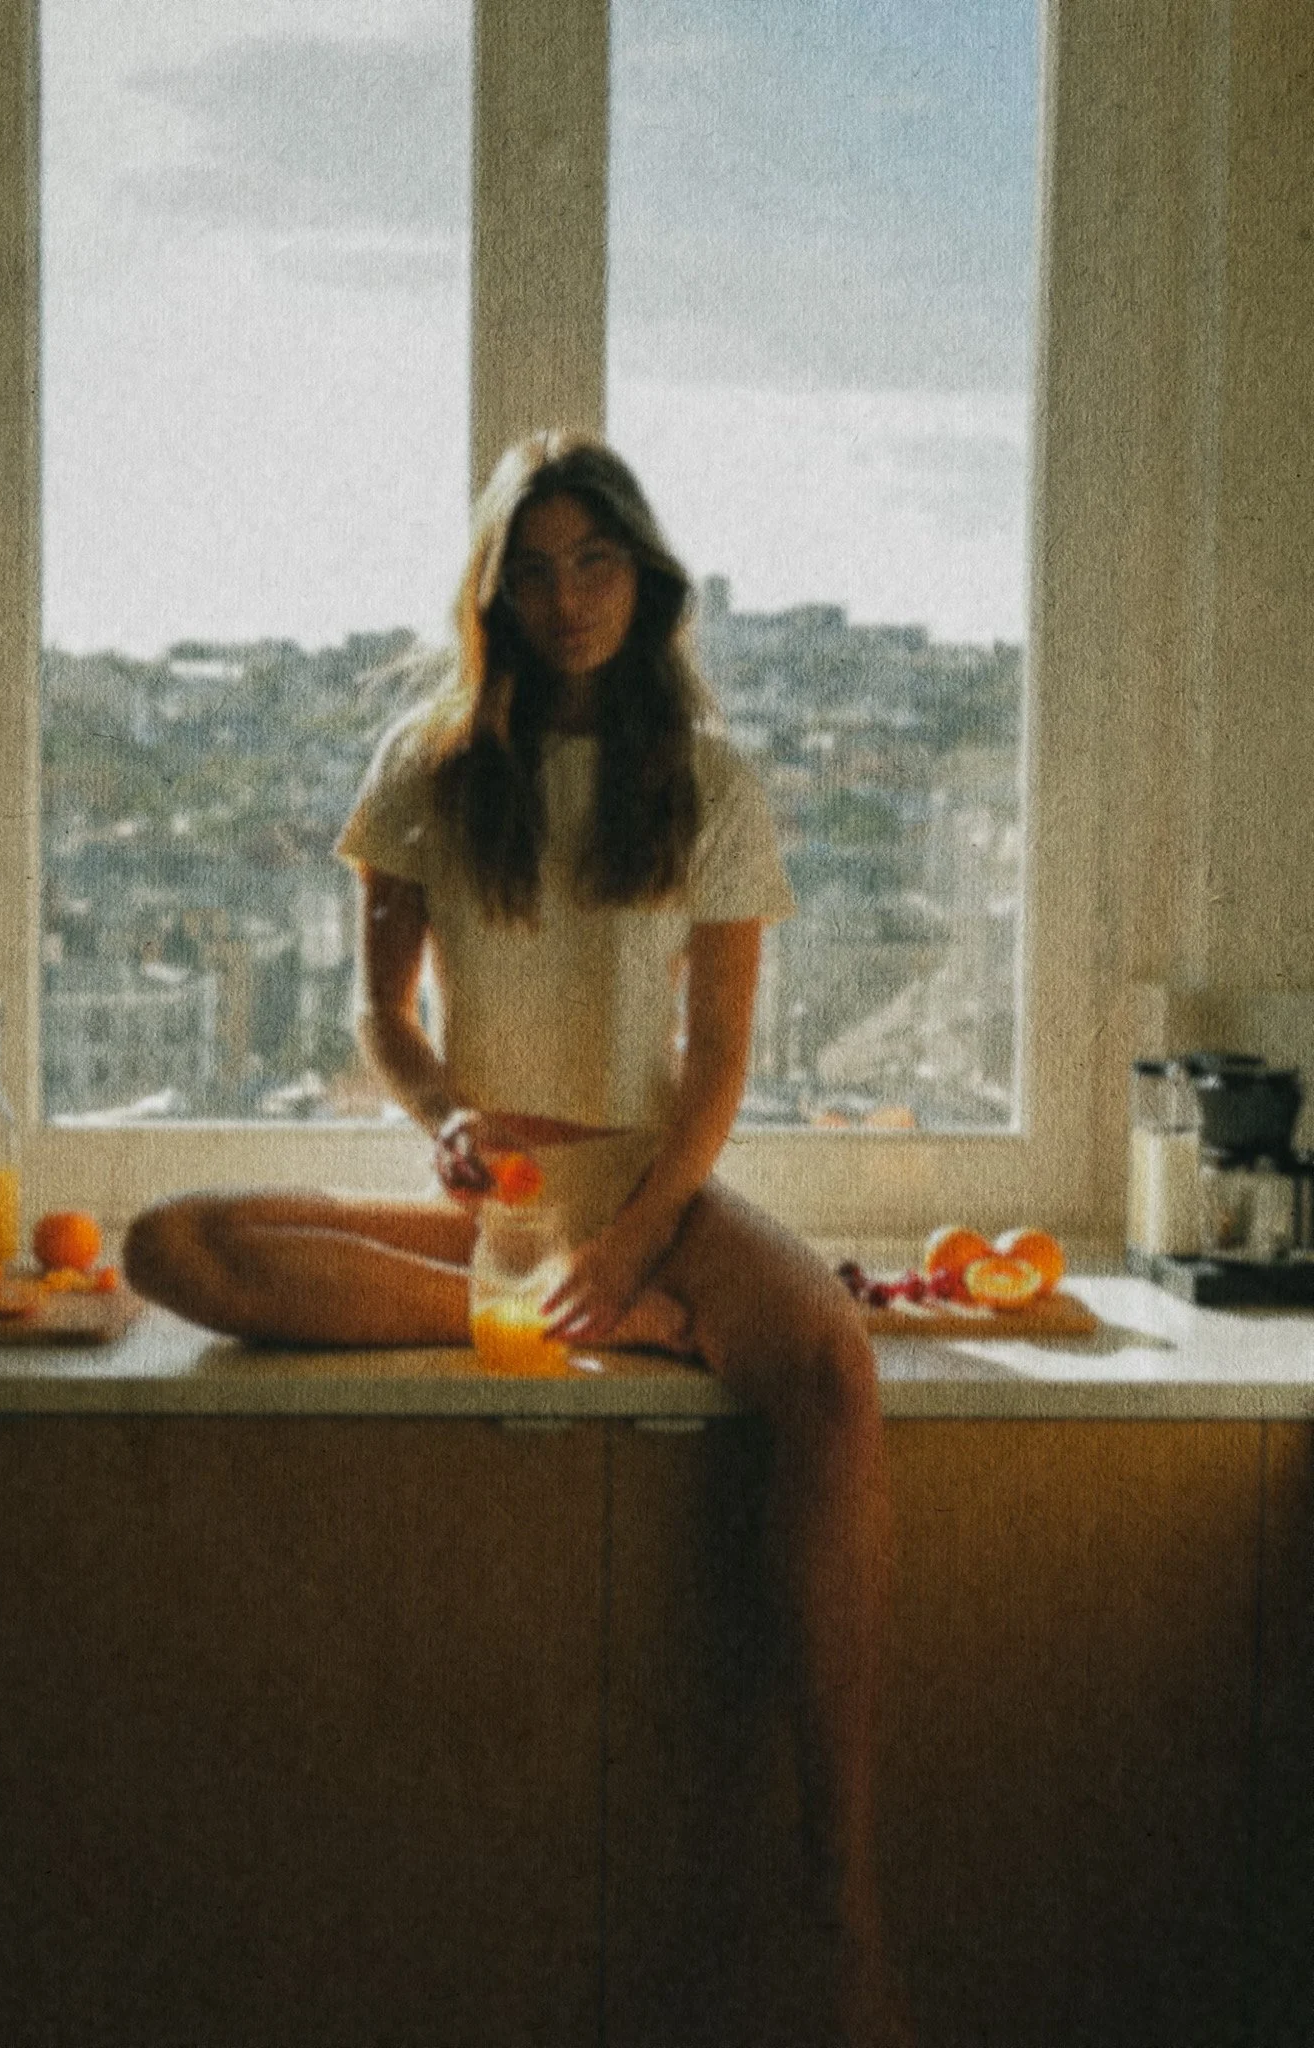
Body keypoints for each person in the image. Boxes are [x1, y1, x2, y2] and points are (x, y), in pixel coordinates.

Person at [124, 431, 908, 2045]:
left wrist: (633, 1248)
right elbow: (382, 1018)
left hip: (655, 1194)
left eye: (596, 562)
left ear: (646, 575)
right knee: (165, 1244)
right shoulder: (427, 765)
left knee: (832, 1370)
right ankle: (562, 1316)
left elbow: (714, 1074)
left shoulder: (708, 780)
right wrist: (448, 1123)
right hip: (491, 1198)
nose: (568, 598)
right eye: (535, 569)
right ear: (495, 591)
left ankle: (840, 1892)